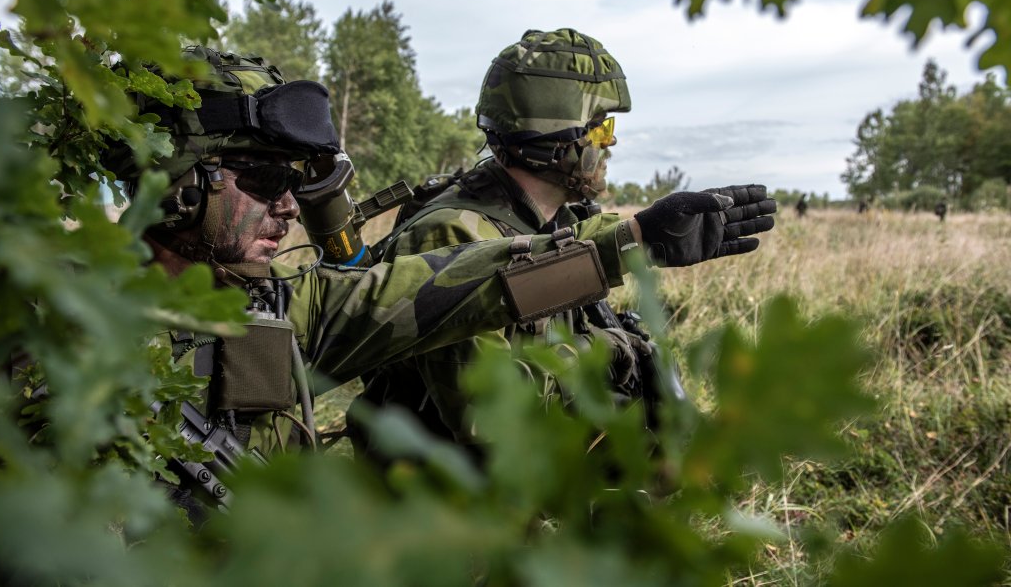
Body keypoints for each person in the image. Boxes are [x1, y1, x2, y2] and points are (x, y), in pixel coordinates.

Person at [106, 45, 775, 514]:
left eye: (296, 183)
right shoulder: (58, 339)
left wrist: (631, 242)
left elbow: (463, 286)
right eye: (265, 179)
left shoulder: (284, 307)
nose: (288, 206)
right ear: (180, 181)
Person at [353, 28, 777, 459]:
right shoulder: (453, 233)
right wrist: (603, 350)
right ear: (557, 140)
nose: (610, 143)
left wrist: (649, 238)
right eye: (600, 129)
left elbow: (598, 256)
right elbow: (489, 416)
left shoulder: (554, 221)